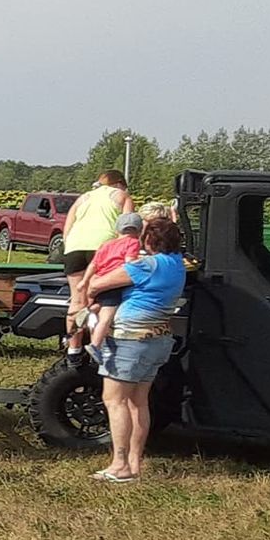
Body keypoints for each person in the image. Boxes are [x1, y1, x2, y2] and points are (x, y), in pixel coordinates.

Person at [85, 218, 187, 483]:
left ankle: (119, 465)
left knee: (114, 400)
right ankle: (134, 464)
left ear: (149, 240)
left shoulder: (146, 265)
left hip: (130, 341)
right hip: (159, 339)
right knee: (138, 402)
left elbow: (97, 285)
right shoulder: (177, 265)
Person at [60, 170, 135, 333]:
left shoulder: (83, 198)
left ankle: (73, 349)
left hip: (75, 246)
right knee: (103, 299)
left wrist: (69, 246)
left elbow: (67, 227)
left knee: (77, 300)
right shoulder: (122, 196)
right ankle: (97, 344)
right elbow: (126, 228)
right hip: (104, 247)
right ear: (119, 184)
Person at [74, 211, 145, 362]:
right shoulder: (133, 243)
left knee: (103, 304)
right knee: (107, 317)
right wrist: (145, 262)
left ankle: (89, 310)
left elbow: (94, 264)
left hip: (100, 280)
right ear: (139, 231)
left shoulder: (107, 244)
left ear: (117, 229)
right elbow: (129, 261)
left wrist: (84, 281)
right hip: (113, 282)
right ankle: (95, 345)